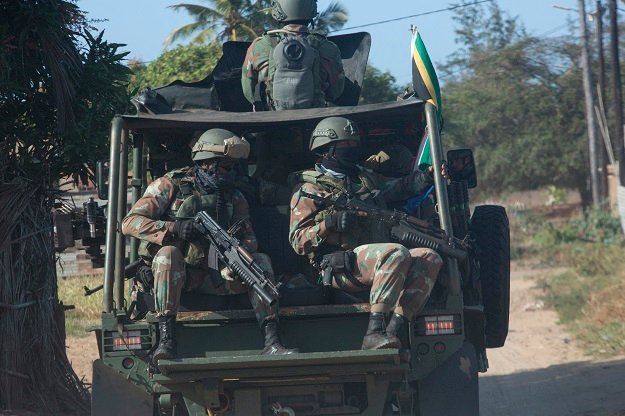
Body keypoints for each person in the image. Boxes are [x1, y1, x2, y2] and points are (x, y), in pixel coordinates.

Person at [122, 128, 297, 366]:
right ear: (206, 164)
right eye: (226, 167)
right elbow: (130, 223)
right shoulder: (168, 186)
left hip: (219, 276)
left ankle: (272, 341)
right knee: (168, 254)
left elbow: (249, 237)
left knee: (260, 262)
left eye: (234, 167)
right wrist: (172, 229)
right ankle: (166, 340)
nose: (231, 173)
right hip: (182, 277)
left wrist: (238, 257)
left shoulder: (235, 197)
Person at [288, 117, 444, 350]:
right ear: (327, 150)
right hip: (337, 268)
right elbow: (298, 241)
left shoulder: (364, 179)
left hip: (377, 261)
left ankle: (392, 330)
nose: (351, 150)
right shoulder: (309, 189)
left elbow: (398, 188)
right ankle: (374, 332)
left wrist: (427, 176)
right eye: (345, 146)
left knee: (430, 257)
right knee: (396, 252)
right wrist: (329, 224)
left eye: (353, 145)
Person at [241, 0, 345, 111]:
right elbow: (335, 92)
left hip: (271, 120)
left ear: (277, 9)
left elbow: (248, 91)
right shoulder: (328, 48)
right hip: (314, 118)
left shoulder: (260, 46)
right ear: (312, 9)